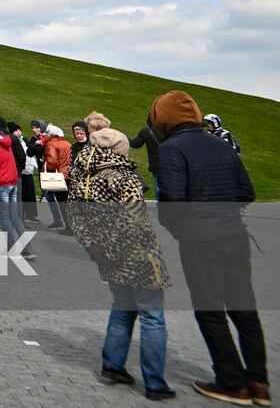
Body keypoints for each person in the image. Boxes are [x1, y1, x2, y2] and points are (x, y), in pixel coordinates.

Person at [152, 90, 267, 405]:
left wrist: (180, 228)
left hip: (200, 239)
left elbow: (172, 202)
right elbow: (246, 192)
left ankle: (231, 382)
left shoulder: (171, 149)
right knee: (244, 308)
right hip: (235, 234)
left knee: (210, 309)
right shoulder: (220, 143)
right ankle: (258, 381)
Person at [65, 127, 174, 400]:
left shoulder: (80, 177)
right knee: (152, 315)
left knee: (122, 308)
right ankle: (155, 382)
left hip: (105, 253)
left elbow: (76, 220)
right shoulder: (124, 176)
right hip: (135, 253)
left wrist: (97, 248)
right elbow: (134, 219)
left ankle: (113, 365)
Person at [0, 115, 35, 260]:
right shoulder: (5, 140)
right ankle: (26, 247)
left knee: (4, 217)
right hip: (12, 180)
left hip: (1, 182)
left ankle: (13, 246)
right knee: (13, 215)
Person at [40, 123, 72, 229]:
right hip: (66, 175)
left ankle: (66, 225)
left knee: (59, 201)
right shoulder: (67, 143)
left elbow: (52, 161)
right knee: (65, 201)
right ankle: (69, 225)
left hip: (57, 176)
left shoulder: (51, 144)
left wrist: (45, 166)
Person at [131, 119, 165, 195]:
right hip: (172, 162)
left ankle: (162, 204)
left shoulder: (145, 132)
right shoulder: (169, 130)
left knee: (158, 185)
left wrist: (124, 137)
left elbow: (136, 144)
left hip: (156, 164)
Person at [15, 122, 41, 223]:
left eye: (19, 130)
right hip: (20, 170)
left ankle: (30, 215)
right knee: (21, 194)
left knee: (30, 193)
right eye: (16, 130)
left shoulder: (25, 140)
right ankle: (22, 215)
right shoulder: (13, 141)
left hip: (28, 169)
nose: (18, 132)